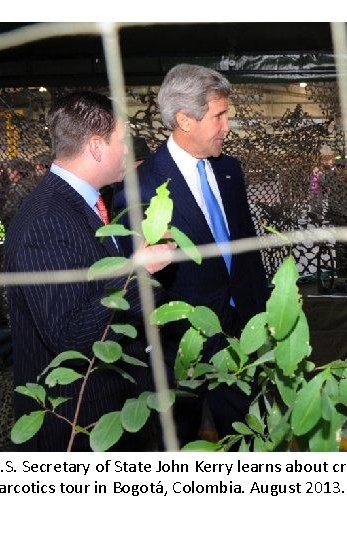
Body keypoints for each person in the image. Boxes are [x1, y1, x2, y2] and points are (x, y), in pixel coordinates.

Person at [4, 91, 177, 451]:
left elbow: (91, 289)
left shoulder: (84, 203)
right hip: (75, 425)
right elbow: (68, 335)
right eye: (123, 140)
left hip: (103, 410)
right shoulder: (48, 220)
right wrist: (139, 273)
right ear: (97, 147)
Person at [114, 64, 269, 446]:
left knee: (253, 444)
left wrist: (264, 316)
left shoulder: (230, 171)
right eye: (219, 116)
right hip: (179, 350)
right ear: (184, 120)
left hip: (243, 341)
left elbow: (245, 254)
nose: (227, 127)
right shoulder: (140, 188)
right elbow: (135, 282)